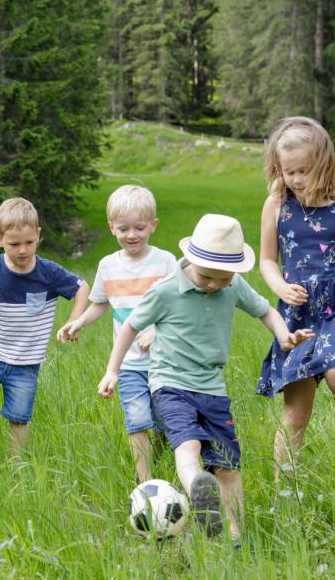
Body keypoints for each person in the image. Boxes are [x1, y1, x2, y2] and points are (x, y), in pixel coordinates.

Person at [97, 214, 312, 544]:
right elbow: (130, 325)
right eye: (206, 276)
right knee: (188, 444)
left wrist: (284, 337)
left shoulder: (233, 284)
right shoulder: (166, 289)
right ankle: (199, 489)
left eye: (222, 278)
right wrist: (113, 370)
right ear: (193, 261)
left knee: (228, 464)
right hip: (169, 383)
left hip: (212, 387)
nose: (213, 284)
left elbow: (265, 310)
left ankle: (237, 538)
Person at [255, 117, 335, 491]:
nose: (295, 178)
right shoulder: (277, 205)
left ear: (325, 163)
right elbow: (266, 260)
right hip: (298, 315)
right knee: (296, 409)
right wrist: (280, 286)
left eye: (304, 170)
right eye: (288, 171)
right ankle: (285, 488)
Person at [0, 197, 90, 462]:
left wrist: (74, 321)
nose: (22, 250)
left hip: (26, 362)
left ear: (38, 236)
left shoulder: (49, 273)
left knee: (19, 417)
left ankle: (16, 462)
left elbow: (82, 288)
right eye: (14, 244)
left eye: (29, 242)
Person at [58, 185, 177, 483]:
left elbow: (180, 306)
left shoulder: (165, 262)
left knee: (166, 420)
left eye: (140, 227)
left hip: (167, 361)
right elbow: (100, 303)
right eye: (124, 228)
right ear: (112, 228)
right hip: (129, 363)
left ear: (153, 225)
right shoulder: (108, 265)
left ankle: (165, 458)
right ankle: (145, 481)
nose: (132, 235)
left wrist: (160, 334)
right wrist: (79, 322)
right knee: (136, 419)